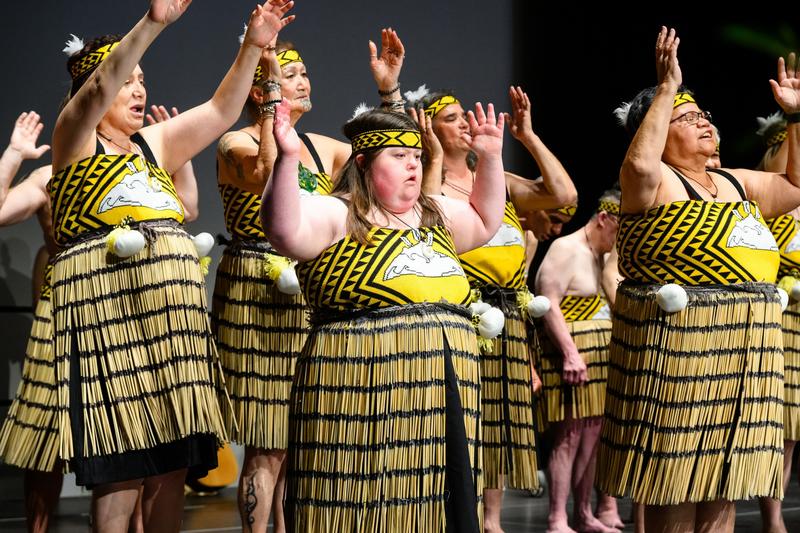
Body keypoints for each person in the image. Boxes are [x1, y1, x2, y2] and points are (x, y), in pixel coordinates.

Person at [47, 1, 294, 531]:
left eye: (143, 80)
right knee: (122, 468)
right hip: (113, 334)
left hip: (173, 336)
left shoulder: (150, 145)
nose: (138, 89)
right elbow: (94, 92)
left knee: (171, 467)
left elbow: (221, 111)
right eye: (126, 79)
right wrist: (154, 24)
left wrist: (252, 46)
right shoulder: (74, 139)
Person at [261, 99, 505, 531]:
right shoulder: (339, 211)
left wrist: (489, 158)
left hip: (442, 390)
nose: (413, 166)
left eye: (416, 157)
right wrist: (287, 158)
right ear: (363, 161)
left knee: (438, 503)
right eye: (399, 157)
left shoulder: (433, 215)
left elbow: (486, 220)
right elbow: (284, 231)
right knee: (366, 504)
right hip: (363, 386)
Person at [596, 28, 800, 533]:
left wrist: (795, 116)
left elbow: (796, 184)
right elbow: (639, 162)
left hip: (742, 348)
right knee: (679, 479)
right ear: (659, 128)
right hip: (681, 352)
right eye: (688, 118)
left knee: (723, 481)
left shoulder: (734, 181)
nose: (704, 120)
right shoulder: (655, 180)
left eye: (703, 113)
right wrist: (667, 89)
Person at [212, 25, 405, 532]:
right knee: (267, 439)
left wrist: (390, 91)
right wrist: (273, 97)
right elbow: (263, 174)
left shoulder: (325, 149)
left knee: (303, 434)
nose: (303, 81)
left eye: (302, 73)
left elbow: (395, 154)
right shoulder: (235, 142)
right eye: (289, 74)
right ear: (261, 90)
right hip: (256, 292)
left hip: (309, 288)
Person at [415, 85, 577, 532]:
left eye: (466, 114)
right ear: (429, 129)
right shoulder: (428, 182)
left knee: (499, 419)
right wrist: (429, 158)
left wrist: (527, 137)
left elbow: (562, 196)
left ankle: (491, 520)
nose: (465, 121)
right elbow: (426, 221)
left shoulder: (498, 182)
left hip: (506, 314)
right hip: (462, 313)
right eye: (451, 117)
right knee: (462, 418)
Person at [535, 191, 620, 533]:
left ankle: (584, 512)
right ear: (603, 219)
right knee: (568, 436)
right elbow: (548, 302)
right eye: (617, 230)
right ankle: (557, 516)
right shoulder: (565, 248)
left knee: (594, 436)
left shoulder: (602, 255)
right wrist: (570, 353)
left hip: (601, 356)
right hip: (571, 355)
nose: (619, 240)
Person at [759, 110, 796, 533]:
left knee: (793, 431)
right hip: (782, 323)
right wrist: (793, 118)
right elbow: (776, 168)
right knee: (778, 425)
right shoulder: (773, 207)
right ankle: (772, 518)